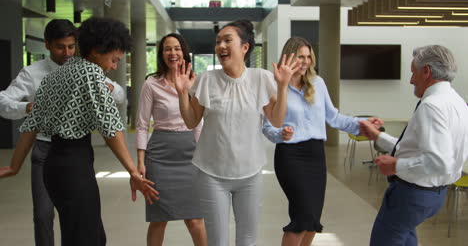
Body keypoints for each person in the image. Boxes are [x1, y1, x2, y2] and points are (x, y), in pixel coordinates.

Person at [0, 17, 158, 246]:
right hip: (74, 165)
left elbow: (33, 123)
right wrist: (134, 171)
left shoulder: (55, 76)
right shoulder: (91, 75)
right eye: (114, 59)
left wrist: (16, 165)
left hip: (53, 166)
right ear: (96, 51)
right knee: (87, 237)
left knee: (78, 233)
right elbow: (111, 129)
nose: (114, 66)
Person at [173, 19, 298, 246]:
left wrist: (282, 87)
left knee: (247, 240)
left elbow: (277, 120)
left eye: (227, 40)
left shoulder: (261, 78)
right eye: (218, 41)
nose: (221, 45)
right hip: (212, 174)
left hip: (250, 174)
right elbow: (191, 121)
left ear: (245, 47)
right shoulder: (207, 80)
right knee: (218, 241)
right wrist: (182, 93)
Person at [262, 37, 382, 246]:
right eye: (301, 56)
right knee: (301, 219)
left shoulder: (317, 83)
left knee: (312, 221)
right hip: (290, 157)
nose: (306, 61)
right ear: (288, 57)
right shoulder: (274, 85)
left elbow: (334, 117)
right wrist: (281, 134)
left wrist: (363, 123)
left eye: (309, 56)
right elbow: (268, 127)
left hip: (315, 156)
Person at [359, 45, 468, 246]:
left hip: (412, 195)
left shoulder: (432, 106)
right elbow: (416, 148)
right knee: (405, 237)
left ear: (426, 71)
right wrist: (377, 136)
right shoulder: (457, 102)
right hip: (434, 194)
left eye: (413, 73)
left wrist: (396, 166)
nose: (410, 80)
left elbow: (439, 161)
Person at [136, 33, 207, 246]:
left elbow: (198, 122)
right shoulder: (151, 84)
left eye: (177, 48)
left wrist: (204, 156)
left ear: (184, 53)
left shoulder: (195, 82)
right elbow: (141, 125)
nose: (172, 53)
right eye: (167, 49)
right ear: (161, 54)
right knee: (159, 219)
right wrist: (140, 161)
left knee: (195, 219)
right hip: (160, 157)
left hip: (190, 154)